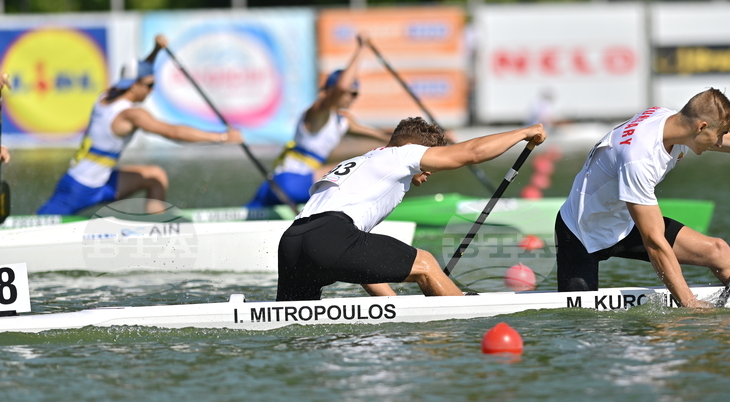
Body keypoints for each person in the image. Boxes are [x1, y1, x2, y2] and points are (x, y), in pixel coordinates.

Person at [556, 88, 730, 308]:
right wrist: (689, 303)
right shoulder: (639, 158)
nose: (720, 143)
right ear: (701, 127)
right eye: (718, 136)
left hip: (621, 223)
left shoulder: (672, 122)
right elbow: (655, 242)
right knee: (580, 321)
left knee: (718, 251)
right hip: (581, 232)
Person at [277, 117, 546, 302]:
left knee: (288, 323)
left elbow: (364, 267)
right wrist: (523, 133)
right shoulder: (402, 155)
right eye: (429, 160)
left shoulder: (363, 162)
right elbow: (471, 153)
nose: (429, 170)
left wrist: (400, 309)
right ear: (414, 148)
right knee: (426, 262)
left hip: (292, 243)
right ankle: (463, 329)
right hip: (330, 235)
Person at [37, 35, 243, 215]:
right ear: (135, 85)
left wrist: (156, 50)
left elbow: (138, 71)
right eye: (150, 85)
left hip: (102, 181)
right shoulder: (131, 115)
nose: (152, 90)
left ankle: (158, 232)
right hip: (78, 188)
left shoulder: (107, 95)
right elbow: (172, 132)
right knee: (37, 226)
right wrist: (222, 137)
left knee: (155, 177)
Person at [247, 34, 390, 208]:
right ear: (330, 92)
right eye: (350, 93)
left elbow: (382, 136)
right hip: (289, 181)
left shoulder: (344, 121)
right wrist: (361, 49)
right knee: (358, 165)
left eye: (356, 94)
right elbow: (341, 87)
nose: (352, 98)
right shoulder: (317, 112)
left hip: (283, 184)